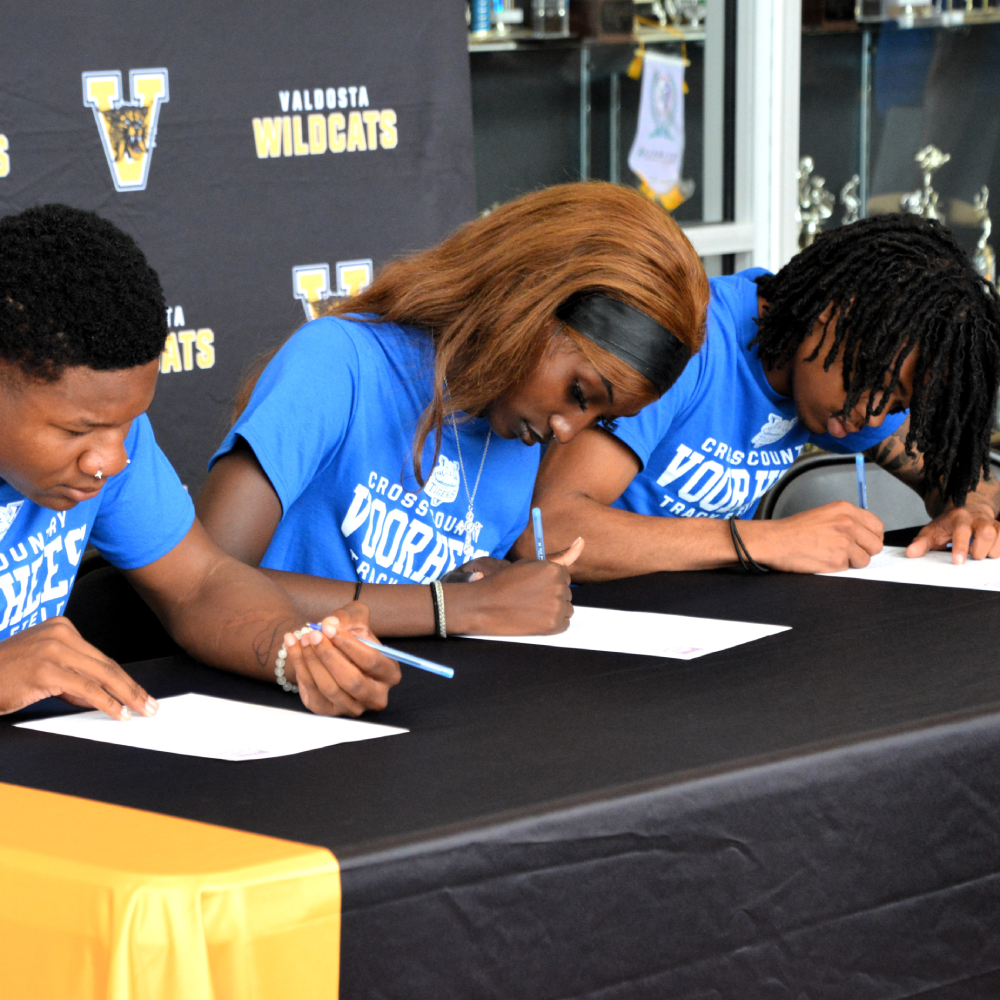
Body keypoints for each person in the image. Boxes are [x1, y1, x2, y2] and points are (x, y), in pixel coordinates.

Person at [196, 183, 709, 635]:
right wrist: (454, 607)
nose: (568, 431)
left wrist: (481, 582)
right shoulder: (338, 361)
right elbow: (203, 581)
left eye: (601, 420)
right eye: (579, 393)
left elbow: (428, 595)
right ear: (524, 304)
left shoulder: (517, 445)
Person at [0, 204, 399, 719]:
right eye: (78, 431)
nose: (114, 458)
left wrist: (298, 652)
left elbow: (199, 583)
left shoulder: (110, 432)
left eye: (128, 423)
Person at [514, 213, 1000, 578]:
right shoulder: (690, 341)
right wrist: (761, 541)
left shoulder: (839, 393)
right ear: (835, 314)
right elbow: (545, 531)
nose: (874, 414)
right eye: (876, 384)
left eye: (896, 404)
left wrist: (969, 512)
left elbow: (964, 475)